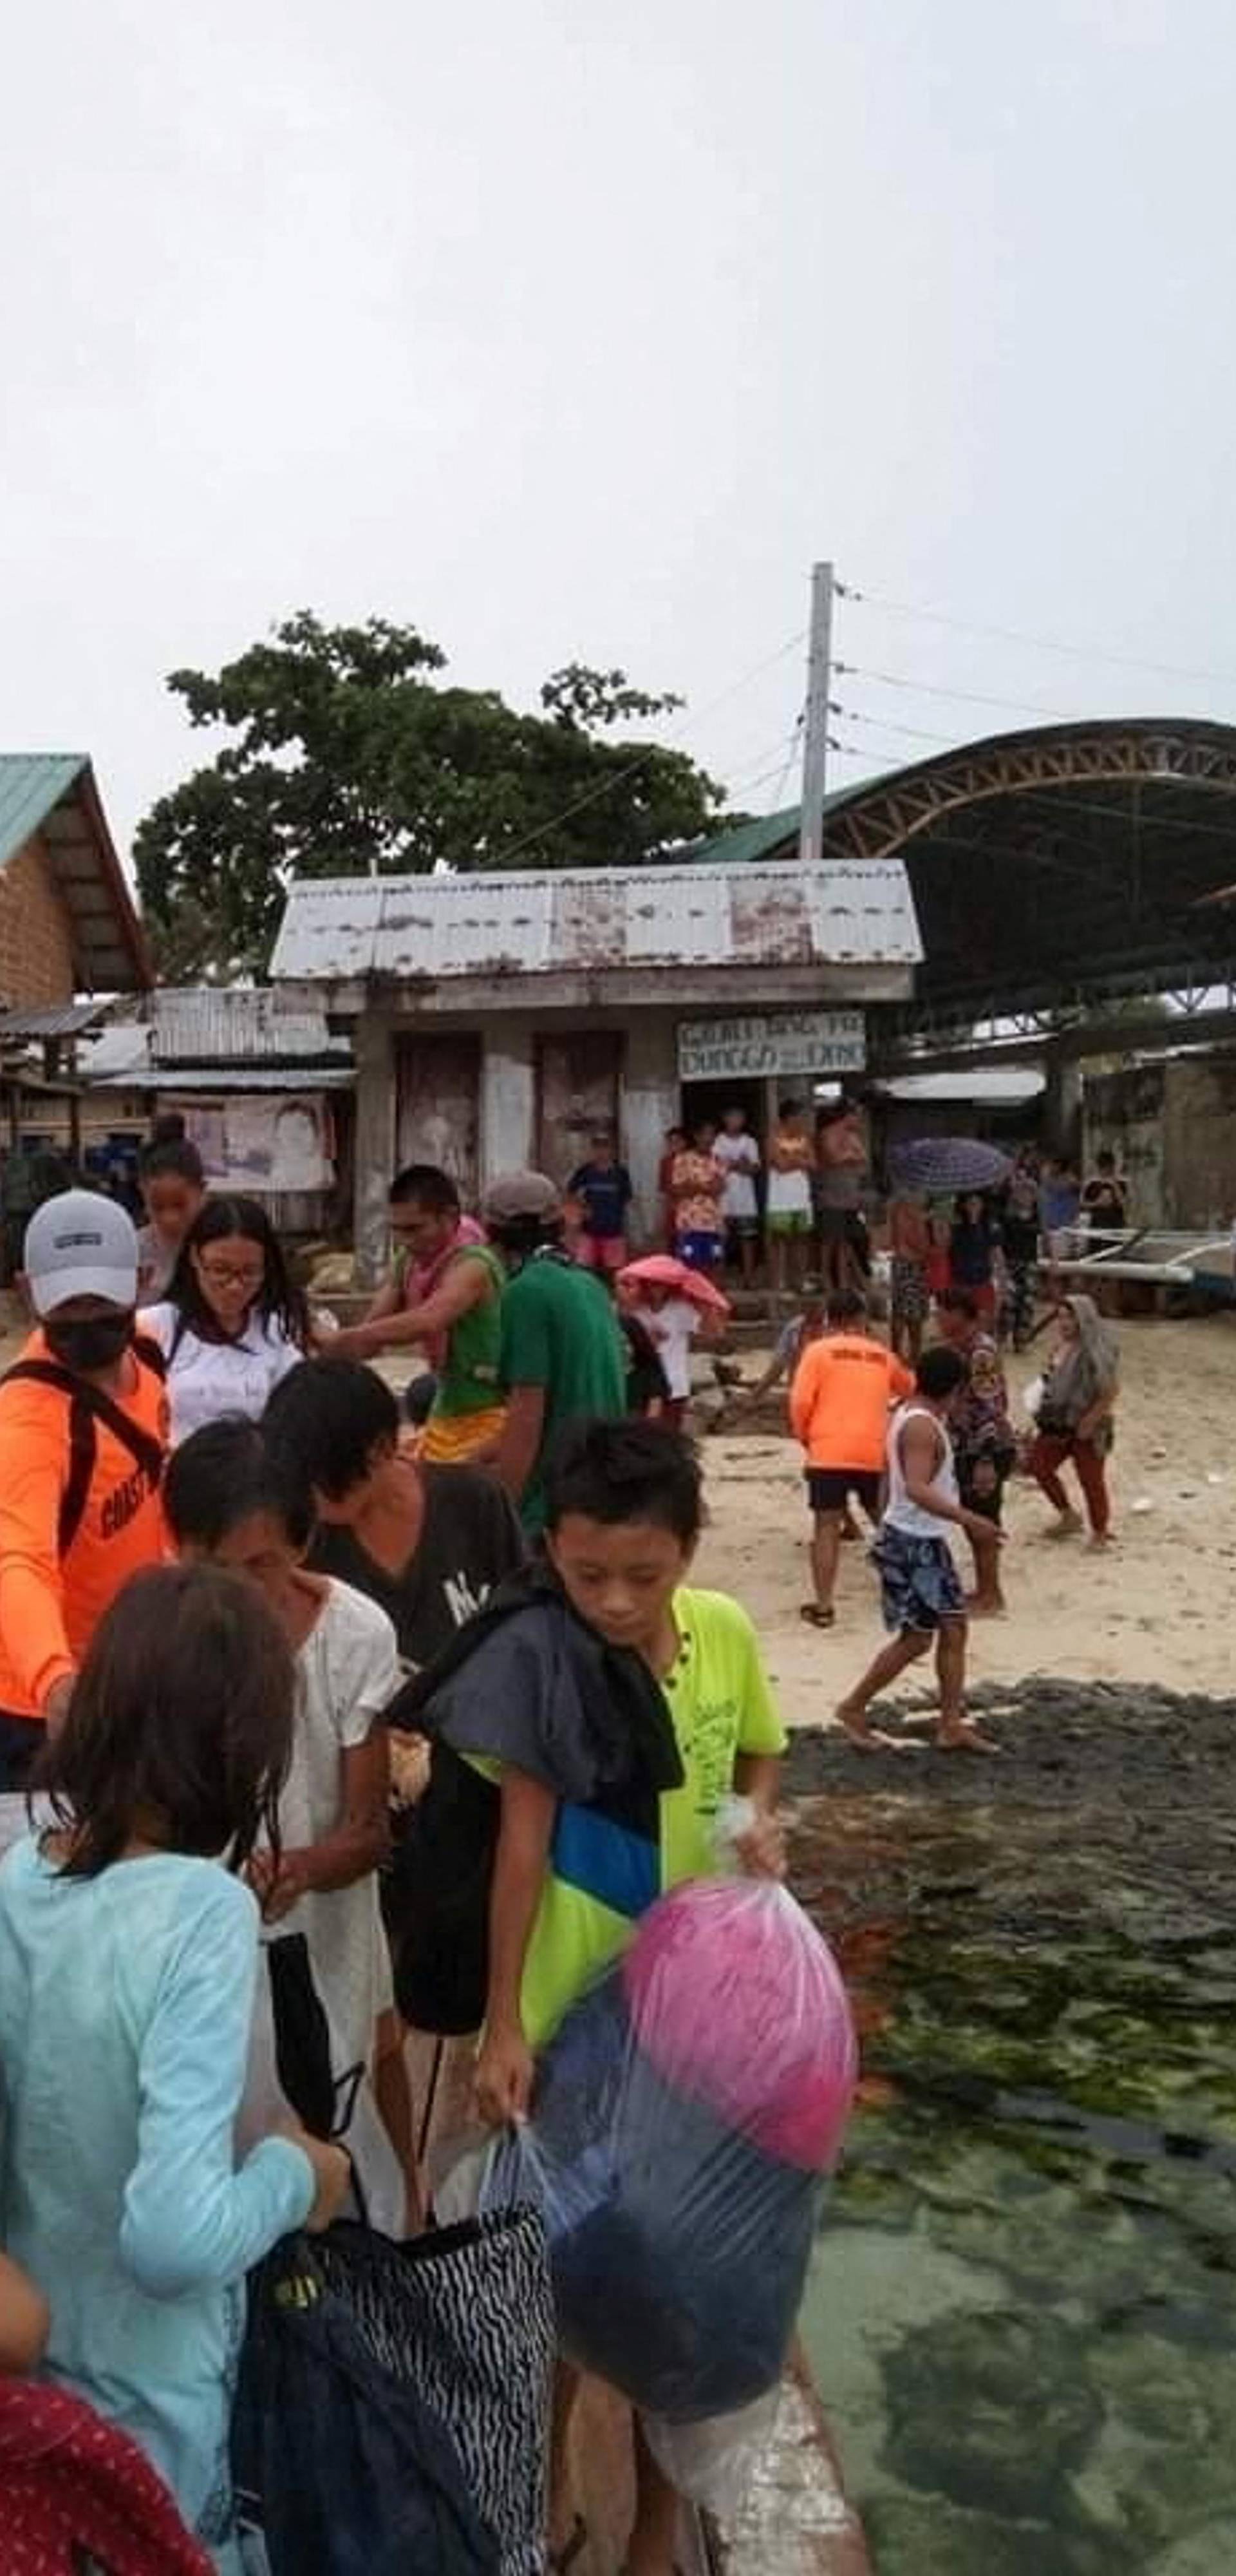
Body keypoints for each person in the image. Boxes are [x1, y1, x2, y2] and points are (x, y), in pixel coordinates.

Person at [430, 1419, 785, 2576]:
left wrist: (752, 1823)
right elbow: (521, 1850)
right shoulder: (546, 1660)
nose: (619, 1603)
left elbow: (760, 1756)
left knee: (669, 2275)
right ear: (552, 1553)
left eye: (646, 1575)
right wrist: (505, 2025)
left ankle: (652, 2522)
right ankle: (537, 2504)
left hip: (688, 2018)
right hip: (572, 2012)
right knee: (557, 2275)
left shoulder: (724, 1635)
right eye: (589, 1578)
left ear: (689, 1549)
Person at [0, 1563, 351, 2570]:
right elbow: (175, 2239)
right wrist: (298, 2175)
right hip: (156, 2419)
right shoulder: (204, 1913)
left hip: (33, 2404)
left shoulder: (23, 1877)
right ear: (247, 1755)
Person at [164, 1419, 420, 2226]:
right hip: (208, 1917)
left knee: (364, 2055)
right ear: (178, 1553)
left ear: (302, 1543)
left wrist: (297, 1869)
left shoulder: (354, 1636)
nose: (238, 1591)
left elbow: (366, 1828)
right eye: (214, 1569)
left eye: (260, 1566)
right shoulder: (163, 1638)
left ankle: (401, 2225)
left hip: (328, 1908)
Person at [0, 1190, 167, 1790]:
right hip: (37, 1705)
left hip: (132, 1670)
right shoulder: (28, 1423)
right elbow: (19, 1560)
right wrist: (56, 1682)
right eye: (67, 1309)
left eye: (103, 1305)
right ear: (26, 1293)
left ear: (142, 1282)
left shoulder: (148, 1357)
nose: (86, 1323)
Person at [263, 1356, 527, 1661]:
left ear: (382, 1449)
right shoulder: (303, 1543)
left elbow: (525, 1614)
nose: (313, 1498)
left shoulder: (476, 1501)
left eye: (327, 1481)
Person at [835, 1344, 998, 1756]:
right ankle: (854, 1707)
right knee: (917, 1639)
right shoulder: (922, 1427)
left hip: (915, 1538)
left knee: (952, 1627)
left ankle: (949, 1723)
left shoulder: (908, 1416)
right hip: (915, 1542)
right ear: (954, 1389)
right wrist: (969, 1519)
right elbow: (917, 1486)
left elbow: (897, 1484)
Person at [330, 1164, 506, 1464]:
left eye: (414, 1229)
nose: (404, 1240)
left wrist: (341, 1337)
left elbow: (428, 1321)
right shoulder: (407, 1262)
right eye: (397, 1230)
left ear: (449, 1218)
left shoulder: (474, 1264)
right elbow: (371, 1334)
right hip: (447, 1408)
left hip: (492, 1414)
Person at [483, 1171, 627, 1537]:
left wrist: (504, 1514)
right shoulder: (589, 1284)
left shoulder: (525, 1292)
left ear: (492, 1233)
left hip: (552, 1503)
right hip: (604, 1486)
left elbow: (527, 1413)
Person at [789, 1290, 914, 1628]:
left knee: (826, 1527)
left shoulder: (817, 1352)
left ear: (830, 1318)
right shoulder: (881, 1355)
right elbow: (911, 1390)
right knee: (886, 1523)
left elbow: (800, 1402)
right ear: (862, 1319)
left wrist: (806, 1437)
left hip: (828, 1450)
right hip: (872, 1450)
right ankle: (905, 1592)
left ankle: (825, 1605)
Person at [141, 1194, 308, 1446]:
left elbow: (294, 1416)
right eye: (220, 1270)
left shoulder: (274, 1333)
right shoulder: (152, 1328)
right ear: (195, 1258)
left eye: (249, 1273)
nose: (234, 1287)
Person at [934, 1287, 1018, 1614]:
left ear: (959, 1314)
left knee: (982, 1521)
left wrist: (985, 1460)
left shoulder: (980, 1352)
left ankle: (991, 1595)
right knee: (975, 1522)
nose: (937, 1319)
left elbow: (990, 1408)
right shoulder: (961, 1348)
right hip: (967, 1446)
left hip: (985, 1448)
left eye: (942, 1312)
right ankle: (986, 1590)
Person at [1028, 1294, 1119, 1545]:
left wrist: (1091, 1420)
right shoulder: (1060, 1347)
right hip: (1057, 1422)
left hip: (1087, 1425)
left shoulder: (1095, 1351)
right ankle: (1068, 1515)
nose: (1065, 1323)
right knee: (1039, 1466)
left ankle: (1100, 1532)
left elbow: (1110, 1390)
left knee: (1091, 1480)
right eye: (1061, 1317)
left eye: (1071, 1317)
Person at [617, 1274, 709, 1432]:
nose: (655, 1289)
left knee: (666, 1435)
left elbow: (706, 1332)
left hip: (674, 1381)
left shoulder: (681, 1309)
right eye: (651, 1284)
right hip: (643, 1381)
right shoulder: (636, 1312)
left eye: (660, 1284)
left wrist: (705, 1307)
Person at [136, 1134, 207, 1301]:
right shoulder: (133, 1252)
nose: (170, 1219)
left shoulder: (219, 1248)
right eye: (158, 1207)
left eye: (180, 1206)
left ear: (202, 1192)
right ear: (142, 1193)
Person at [567, 1129, 634, 1285]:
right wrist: (582, 1208)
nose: (601, 1151)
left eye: (605, 1147)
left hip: (614, 1230)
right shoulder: (585, 1172)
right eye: (597, 1147)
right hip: (588, 1231)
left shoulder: (621, 1173)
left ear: (611, 1150)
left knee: (614, 1274)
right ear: (592, 1149)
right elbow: (570, 1194)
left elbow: (627, 1198)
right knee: (584, 1271)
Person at [814, 1101, 866, 1297]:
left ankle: (844, 1282)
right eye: (857, 1116)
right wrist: (849, 1156)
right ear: (847, 1116)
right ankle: (825, 1278)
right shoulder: (827, 1133)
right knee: (829, 1240)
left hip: (849, 1196)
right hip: (830, 1195)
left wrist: (848, 1156)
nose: (859, 1121)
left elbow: (863, 1160)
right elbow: (832, 1158)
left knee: (845, 1240)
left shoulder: (853, 1136)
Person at [766, 1100, 815, 1294]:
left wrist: (791, 1158)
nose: (803, 1121)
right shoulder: (773, 1138)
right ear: (789, 1118)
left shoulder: (805, 1138)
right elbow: (780, 1165)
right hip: (780, 1199)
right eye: (800, 1117)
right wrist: (800, 1159)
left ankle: (800, 1280)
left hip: (802, 1197)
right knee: (780, 1239)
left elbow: (814, 1164)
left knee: (801, 1239)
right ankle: (780, 1282)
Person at [667, 1119, 726, 1273]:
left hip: (712, 1222)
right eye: (706, 1134)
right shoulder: (682, 1159)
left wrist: (695, 1186)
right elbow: (678, 1189)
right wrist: (705, 1186)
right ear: (696, 1136)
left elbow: (719, 1188)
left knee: (713, 1263)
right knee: (689, 1264)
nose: (709, 1138)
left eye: (713, 1134)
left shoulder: (718, 1160)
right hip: (689, 1222)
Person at [713, 1105, 762, 1285]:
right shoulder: (718, 1141)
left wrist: (732, 1164)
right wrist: (741, 1164)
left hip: (746, 1200)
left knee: (747, 1239)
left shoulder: (750, 1141)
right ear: (725, 1119)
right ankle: (720, 1278)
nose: (736, 1121)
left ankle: (748, 1278)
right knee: (721, 1240)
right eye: (732, 1117)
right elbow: (716, 1166)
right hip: (724, 1199)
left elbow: (754, 1168)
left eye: (740, 1118)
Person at [998, 1148, 1040, 1350]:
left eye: (1030, 1193)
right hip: (1011, 1260)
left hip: (1030, 1260)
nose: (1026, 1195)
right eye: (1022, 1192)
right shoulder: (1007, 1216)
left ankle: (1021, 1339)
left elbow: (1044, 1233)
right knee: (1010, 1302)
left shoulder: (1035, 1215)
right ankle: (1004, 1335)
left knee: (1028, 1302)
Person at [888, 1189, 933, 1363]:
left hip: (899, 1262)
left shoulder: (895, 1209)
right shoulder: (913, 1213)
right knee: (914, 1315)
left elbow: (892, 1239)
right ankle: (915, 1356)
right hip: (913, 1264)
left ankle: (896, 1351)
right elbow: (919, 1244)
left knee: (898, 1310)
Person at [948, 1191, 1004, 1327]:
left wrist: (1002, 1277)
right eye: (971, 1203)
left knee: (985, 1322)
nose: (974, 1207)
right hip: (961, 1281)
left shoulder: (990, 1227)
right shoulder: (956, 1226)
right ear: (964, 1206)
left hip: (982, 1280)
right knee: (963, 1323)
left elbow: (997, 1253)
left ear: (983, 1205)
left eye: (977, 1203)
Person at [1040, 1156, 1082, 1260]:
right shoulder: (1048, 1181)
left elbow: (1077, 1192)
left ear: (1060, 1165)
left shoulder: (1070, 1180)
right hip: (1051, 1221)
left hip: (1066, 1222)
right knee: (1049, 1254)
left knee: (1066, 1255)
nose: (1051, 1167)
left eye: (1054, 1165)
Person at [1080, 1147, 1129, 1232]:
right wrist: (1097, 1204)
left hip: (1116, 1223)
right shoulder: (1091, 1183)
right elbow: (1082, 1204)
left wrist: (1114, 1185)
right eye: (1103, 1167)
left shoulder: (1121, 1182)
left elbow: (1124, 1203)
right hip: (1097, 1222)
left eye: (1109, 1167)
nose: (1106, 1171)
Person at [656, 1125, 685, 1250]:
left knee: (686, 1242)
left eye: (677, 1141)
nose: (674, 1145)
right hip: (671, 1208)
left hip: (688, 1208)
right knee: (671, 1241)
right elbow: (663, 1187)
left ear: (684, 1142)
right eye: (671, 1142)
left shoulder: (692, 1161)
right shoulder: (665, 1162)